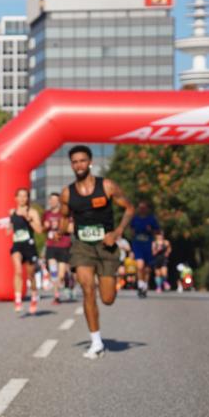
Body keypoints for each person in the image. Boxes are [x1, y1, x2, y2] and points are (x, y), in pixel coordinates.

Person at [60, 145, 134, 359]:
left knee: (108, 298)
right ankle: (96, 342)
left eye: (82, 160)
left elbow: (129, 208)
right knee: (87, 289)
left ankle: (110, 282)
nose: (79, 165)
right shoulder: (68, 193)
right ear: (71, 165)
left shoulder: (107, 186)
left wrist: (118, 232)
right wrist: (60, 231)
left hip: (107, 245)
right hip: (82, 246)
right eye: (75, 162)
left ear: (90, 162)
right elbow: (64, 218)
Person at [9, 188, 44, 314]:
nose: (23, 199)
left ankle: (34, 297)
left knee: (30, 274)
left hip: (29, 245)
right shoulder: (12, 212)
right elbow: (10, 229)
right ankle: (18, 299)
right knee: (18, 270)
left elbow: (40, 230)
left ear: (28, 198)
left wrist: (29, 219)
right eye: (20, 196)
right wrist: (7, 228)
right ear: (16, 198)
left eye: (25, 196)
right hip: (17, 245)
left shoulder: (32, 212)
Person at [43, 192, 72, 303]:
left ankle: (65, 278)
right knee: (53, 271)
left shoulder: (64, 214)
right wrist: (45, 227)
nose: (53, 201)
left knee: (60, 275)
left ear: (59, 201)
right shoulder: (46, 214)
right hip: (51, 246)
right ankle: (56, 295)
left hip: (63, 245)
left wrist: (61, 227)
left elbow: (71, 228)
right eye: (51, 199)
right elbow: (43, 228)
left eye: (55, 200)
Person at [129, 200, 160, 298]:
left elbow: (158, 231)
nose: (142, 210)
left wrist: (151, 231)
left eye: (144, 208)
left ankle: (145, 284)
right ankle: (140, 285)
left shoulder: (151, 219)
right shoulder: (135, 219)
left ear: (147, 209)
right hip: (138, 244)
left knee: (147, 268)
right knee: (140, 265)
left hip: (148, 244)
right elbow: (131, 230)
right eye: (140, 208)